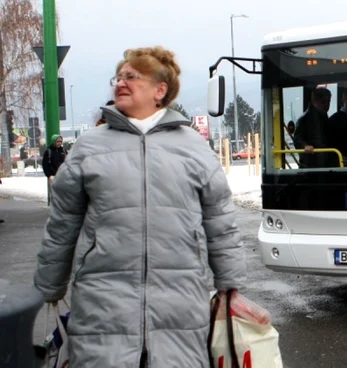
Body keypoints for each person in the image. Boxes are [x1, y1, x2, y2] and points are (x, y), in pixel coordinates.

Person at [33, 46, 245, 368]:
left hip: (180, 302)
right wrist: (50, 284)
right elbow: (63, 223)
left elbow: (220, 222)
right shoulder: (89, 147)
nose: (120, 83)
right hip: (102, 302)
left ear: (160, 90)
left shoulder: (193, 148)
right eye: (118, 77)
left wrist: (229, 284)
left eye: (132, 77)